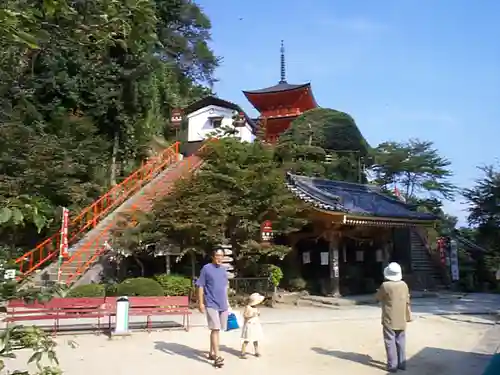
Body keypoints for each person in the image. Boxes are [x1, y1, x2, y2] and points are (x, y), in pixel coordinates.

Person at [196, 249, 230, 367]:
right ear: (213, 256)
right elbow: (200, 286)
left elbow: (225, 287)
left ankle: (211, 352)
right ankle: (218, 356)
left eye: (221, 256)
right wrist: (200, 303)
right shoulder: (206, 268)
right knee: (215, 328)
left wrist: (228, 303)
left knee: (219, 329)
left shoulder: (223, 270)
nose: (219, 258)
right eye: (217, 255)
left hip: (223, 304)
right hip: (211, 303)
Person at [375, 262, 411, 373]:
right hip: (402, 317)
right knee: (401, 340)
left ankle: (392, 365)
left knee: (390, 341)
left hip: (389, 318)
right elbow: (407, 300)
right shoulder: (404, 285)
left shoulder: (385, 286)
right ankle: (402, 363)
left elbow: (378, 297)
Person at [240, 292, 264, 359]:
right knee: (247, 339)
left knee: (256, 339)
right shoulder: (248, 307)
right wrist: (251, 315)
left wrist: (258, 314)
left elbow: (256, 315)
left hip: (255, 324)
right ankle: (243, 352)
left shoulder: (255, 307)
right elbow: (245, 315)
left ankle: (256, 351)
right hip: (249, 325)